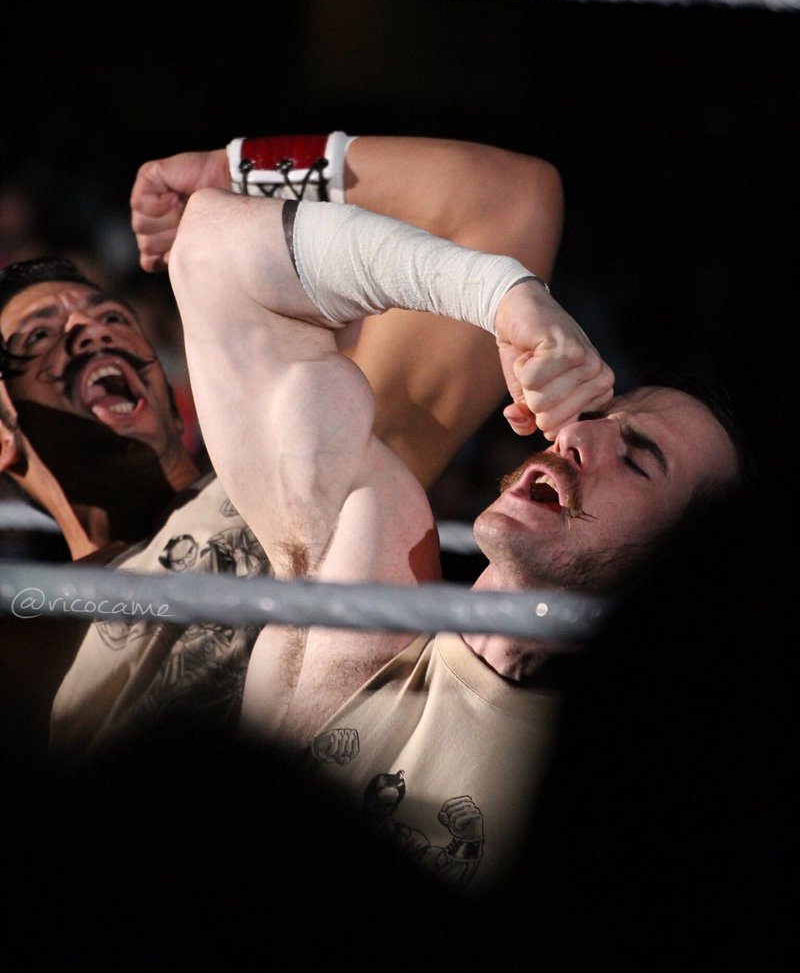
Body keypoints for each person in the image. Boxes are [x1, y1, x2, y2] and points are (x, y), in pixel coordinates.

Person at [160, 186, 740, 891]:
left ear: (675, 567)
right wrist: (500, 295)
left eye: (638, 460)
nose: (578, 436)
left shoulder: (622, 803)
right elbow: (210, 249)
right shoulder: (370, 586)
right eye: (600, 416)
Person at [0, 130, 563, 757]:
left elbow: (509, 201)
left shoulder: (308, 452)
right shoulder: (33, 637)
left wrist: (232, 171)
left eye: (111, 317)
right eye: (39, 336)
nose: (90, 331)